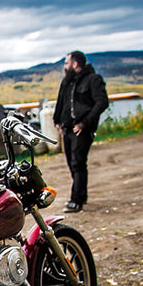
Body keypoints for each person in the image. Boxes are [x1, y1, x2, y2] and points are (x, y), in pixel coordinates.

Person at [53, 51, 108, 212]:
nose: (65, 67)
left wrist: (85, 123)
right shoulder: (67, 82)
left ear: (75, 64)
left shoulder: (93, 80)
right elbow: (60, 102)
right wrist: (57, 121)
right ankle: (81, 195)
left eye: (66, 63)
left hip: (82, 129)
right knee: (72, 163)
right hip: (68, 129)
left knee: (78, 162)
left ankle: (76, 200)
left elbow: (102, 102)